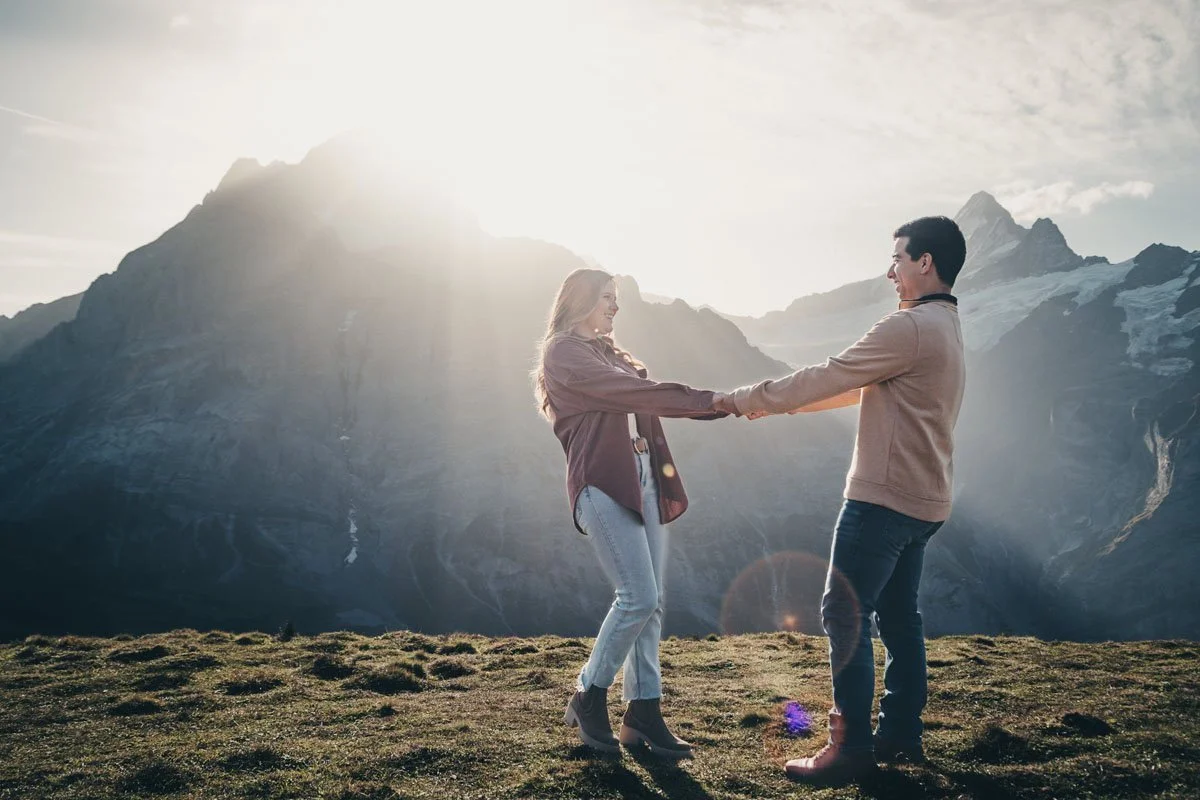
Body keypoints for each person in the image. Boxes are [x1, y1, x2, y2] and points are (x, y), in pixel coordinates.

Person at [719, 216, 967, 783]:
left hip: (881, 501)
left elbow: (830, 373)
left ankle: (849, 748)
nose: (891, 271)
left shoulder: (909, 327)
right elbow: (858, 387)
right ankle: (900, 733)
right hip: (925, 502)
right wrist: (775, 407)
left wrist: (740, 400)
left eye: (898, 259)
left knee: (843, 612)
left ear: (924, 262)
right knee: (901, 616)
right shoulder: (946, 326)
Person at [533, 267, 729, 758]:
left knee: (653, 603)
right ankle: (589, 693)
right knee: (637, 596)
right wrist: (716, 402)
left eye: (616, 298)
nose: (615, 306)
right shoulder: (564, 352)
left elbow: (637, 402)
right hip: (602, 481)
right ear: (578, 301)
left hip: (641, 475)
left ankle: (643, 713)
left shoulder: (605, 352)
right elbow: (638, 395)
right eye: (606, 297)